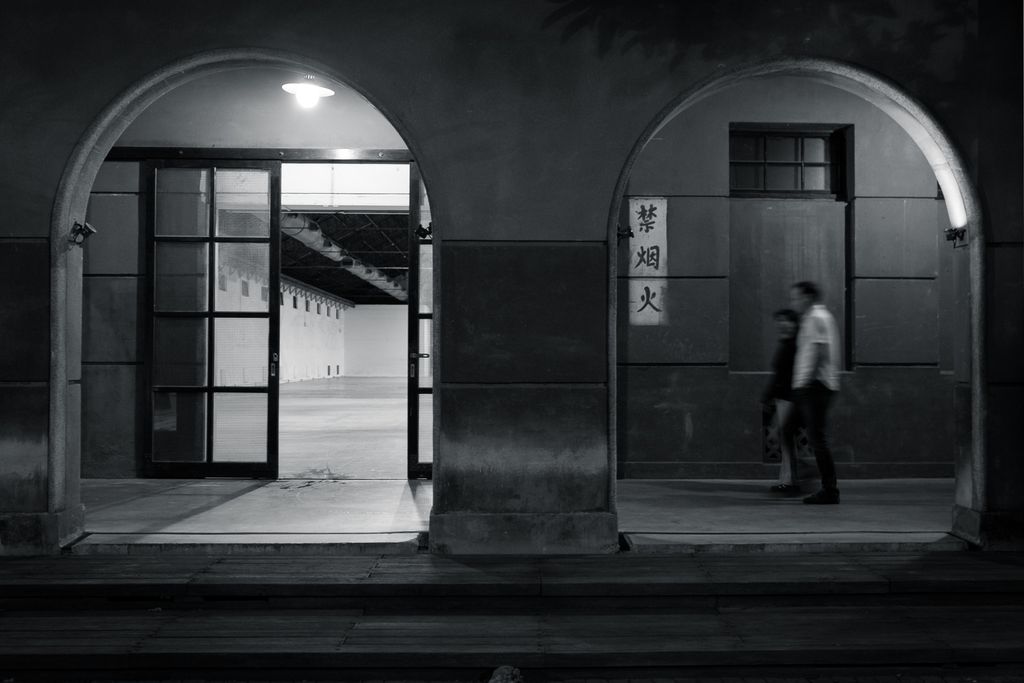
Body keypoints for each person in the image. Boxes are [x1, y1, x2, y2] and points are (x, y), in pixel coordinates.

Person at [786, 280, 841, 505]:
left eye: (796, 297)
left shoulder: (817, 318)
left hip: (814, 386)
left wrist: (805, 383)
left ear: (808, 297)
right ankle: (808, 476)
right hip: (811, 386)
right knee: (789, 429)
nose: (794, 302)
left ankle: (829, 488)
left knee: (817, 439)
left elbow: (818, 352)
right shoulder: (813, 318)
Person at [761, 308, 801, 495]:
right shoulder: (787, 344)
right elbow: (779, 375)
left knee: (786, 442)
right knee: (786, 442)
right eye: (780, 321)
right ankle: (787, 480)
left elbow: (785, 376)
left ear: (794, 323)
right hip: (784, 398)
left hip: (789, 398)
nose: (782, 324)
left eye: (786, 321)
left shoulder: (793, 346)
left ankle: (790, 481)